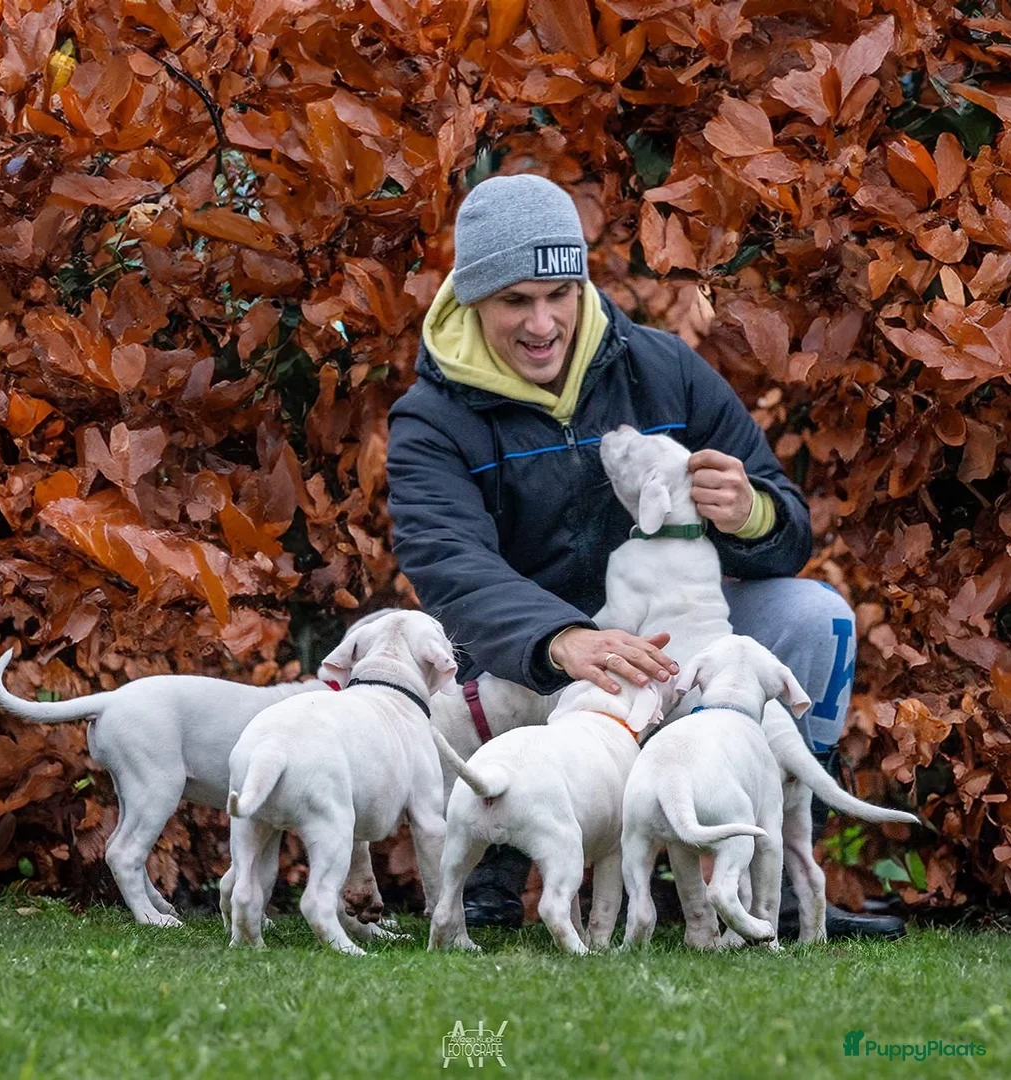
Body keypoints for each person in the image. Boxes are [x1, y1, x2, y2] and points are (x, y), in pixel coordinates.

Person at [384, 173, 905, 940]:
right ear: (471, 300)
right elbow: (448, 562)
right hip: (528, 659)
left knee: (815, 617)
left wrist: (750, 510)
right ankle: (492, 869)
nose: (542, 323)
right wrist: (561, 640)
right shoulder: (429, 419)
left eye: (558, 293)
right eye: (514, 301)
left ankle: (780, 874)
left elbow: (787, 526)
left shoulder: (662, 366)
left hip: (671, 638)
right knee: (444, 676)